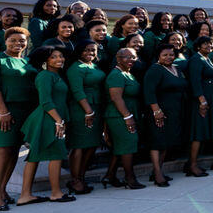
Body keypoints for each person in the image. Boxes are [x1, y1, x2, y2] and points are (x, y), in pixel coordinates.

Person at [0, 26, 35, 210]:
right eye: (13, 40)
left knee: (13, 152)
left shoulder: (27, 62)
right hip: (2, 111)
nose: (17, 43)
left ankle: (3, 190)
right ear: (5, 41)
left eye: (22, 40)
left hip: (23, 112)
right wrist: (3, 112)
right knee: (3, 150)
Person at [18, 46, 76, 204]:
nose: (59, 59)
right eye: (54, 57)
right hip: (48, 119)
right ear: (45, 61)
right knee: (54, 154)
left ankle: (26, 195)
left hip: (53, 119)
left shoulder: (56, 75)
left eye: (61, 56)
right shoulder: (45, 76)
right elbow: (45, 101)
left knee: (36, 156)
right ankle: (55, 193)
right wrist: (58, 120)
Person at [142, 43, 185, 186]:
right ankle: (158, 174)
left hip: (174, 111)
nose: (168, 57)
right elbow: (149, 91)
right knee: (157, 142)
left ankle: (158, 171)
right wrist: (156, 111)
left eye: (171, 54)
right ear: (158, 56)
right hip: (159, 112)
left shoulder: (176, 69)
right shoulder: (155, 69)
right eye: (165, 55)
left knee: (166, 142)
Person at [65, 40, 105, 194]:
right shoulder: (76, 67)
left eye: (93, 50)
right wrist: (88, 110)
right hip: (82, 109)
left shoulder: (94, 66)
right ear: (80, 51)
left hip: (96, 107)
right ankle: (75, 180)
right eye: (87, 50)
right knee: (79, 145)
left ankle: (81, 177)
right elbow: (77, 91)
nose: (90, 53)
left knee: (92, 143)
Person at [104, 48, 145, 189]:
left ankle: (110, 176)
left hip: (129, 113)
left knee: (121, 146)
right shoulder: (116, 75)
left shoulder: (128, 73)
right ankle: (130, 178)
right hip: (119, 115)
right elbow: (116, 98)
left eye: (133, 57)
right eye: (127, 57)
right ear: (118, 59)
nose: (131, 60)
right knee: (128, 145)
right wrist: (127, 116)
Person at [186, 35, 213, 177]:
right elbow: (195, 81)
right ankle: (192, 165)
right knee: (198, 133)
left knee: (202, 132)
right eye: (205, 44)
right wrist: (202, 101)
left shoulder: (207, 58)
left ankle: (193, 164)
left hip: (209, 98)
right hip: (201, 101)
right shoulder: (196, 59)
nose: (209, 47)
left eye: (211, 44)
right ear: (198, 46)